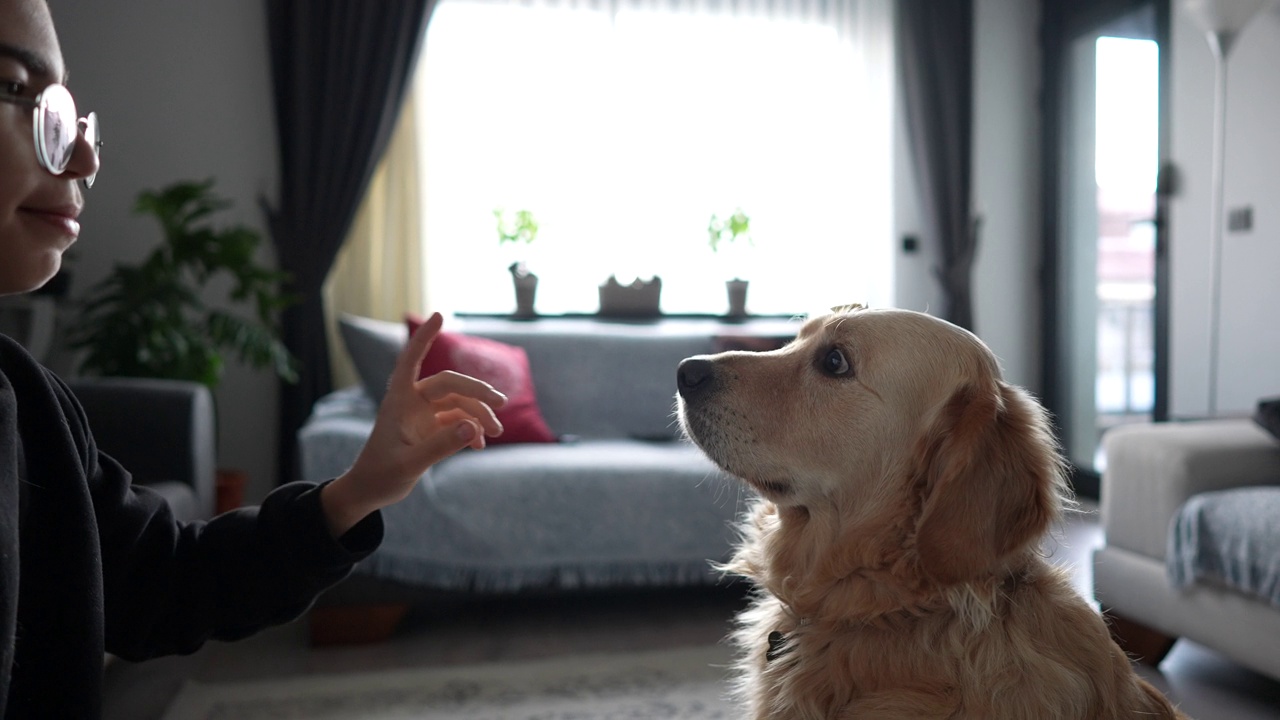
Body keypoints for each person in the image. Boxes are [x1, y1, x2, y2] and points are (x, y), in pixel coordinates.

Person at [0, 0, 508, 715]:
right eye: (15, 87)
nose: (83, 157)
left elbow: (164, 583)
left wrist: (357, 489)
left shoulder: (28, 405)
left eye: (69, 114)